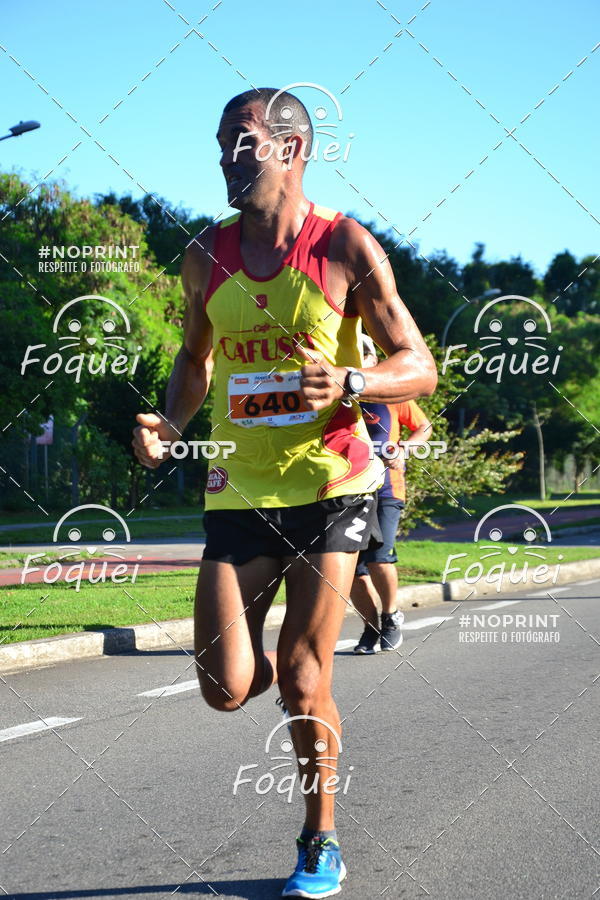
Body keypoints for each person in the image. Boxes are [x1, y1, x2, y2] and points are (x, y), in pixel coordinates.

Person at [132, 87, 437, 898]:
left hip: (332, 485)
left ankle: (319, 838)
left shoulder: (343, 245)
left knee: (304, 676)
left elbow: (421, 367)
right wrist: (167, 421)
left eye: (242, 141)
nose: (227, 158)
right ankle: (287, 671)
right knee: (225, 685)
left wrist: (352, 378)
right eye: (221, 142)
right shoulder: (206, 253)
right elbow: (196, 360)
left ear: (292, 149)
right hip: (239, 492)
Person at [352, 334, 432, 654]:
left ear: (374, 360)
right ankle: (371, 627)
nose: (357, 359)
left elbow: (424, 427)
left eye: (363, 354)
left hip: (385, 487)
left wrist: (405, 449)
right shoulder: (336, 396)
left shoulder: (392, 394)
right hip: (346, 489)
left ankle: (390, 617)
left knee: (379, 556)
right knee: (351, 567)